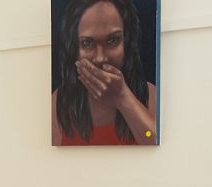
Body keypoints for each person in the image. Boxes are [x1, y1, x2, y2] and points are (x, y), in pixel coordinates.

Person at [52, 0, 158, 146]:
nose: (100, 58)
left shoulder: (149, 94)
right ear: (74, 48)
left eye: (112, 40)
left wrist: (123, 98)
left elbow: (154, 141)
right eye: (87, 43)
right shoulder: (60, 101)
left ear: (127, 43)